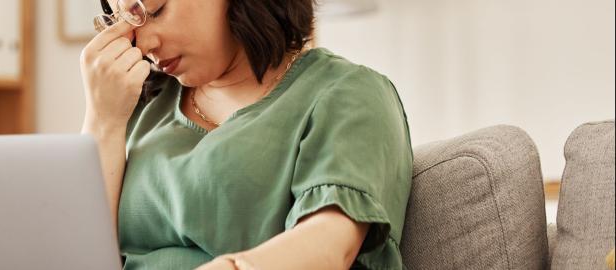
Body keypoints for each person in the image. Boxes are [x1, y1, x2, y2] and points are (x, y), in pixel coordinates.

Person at [79, 0, 413, 269]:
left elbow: (329, 246)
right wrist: (102, 120)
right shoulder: (140, 107)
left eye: (157, 10)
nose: (146, 44)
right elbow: (80, 256)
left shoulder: (347, 93)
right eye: (127, 19)